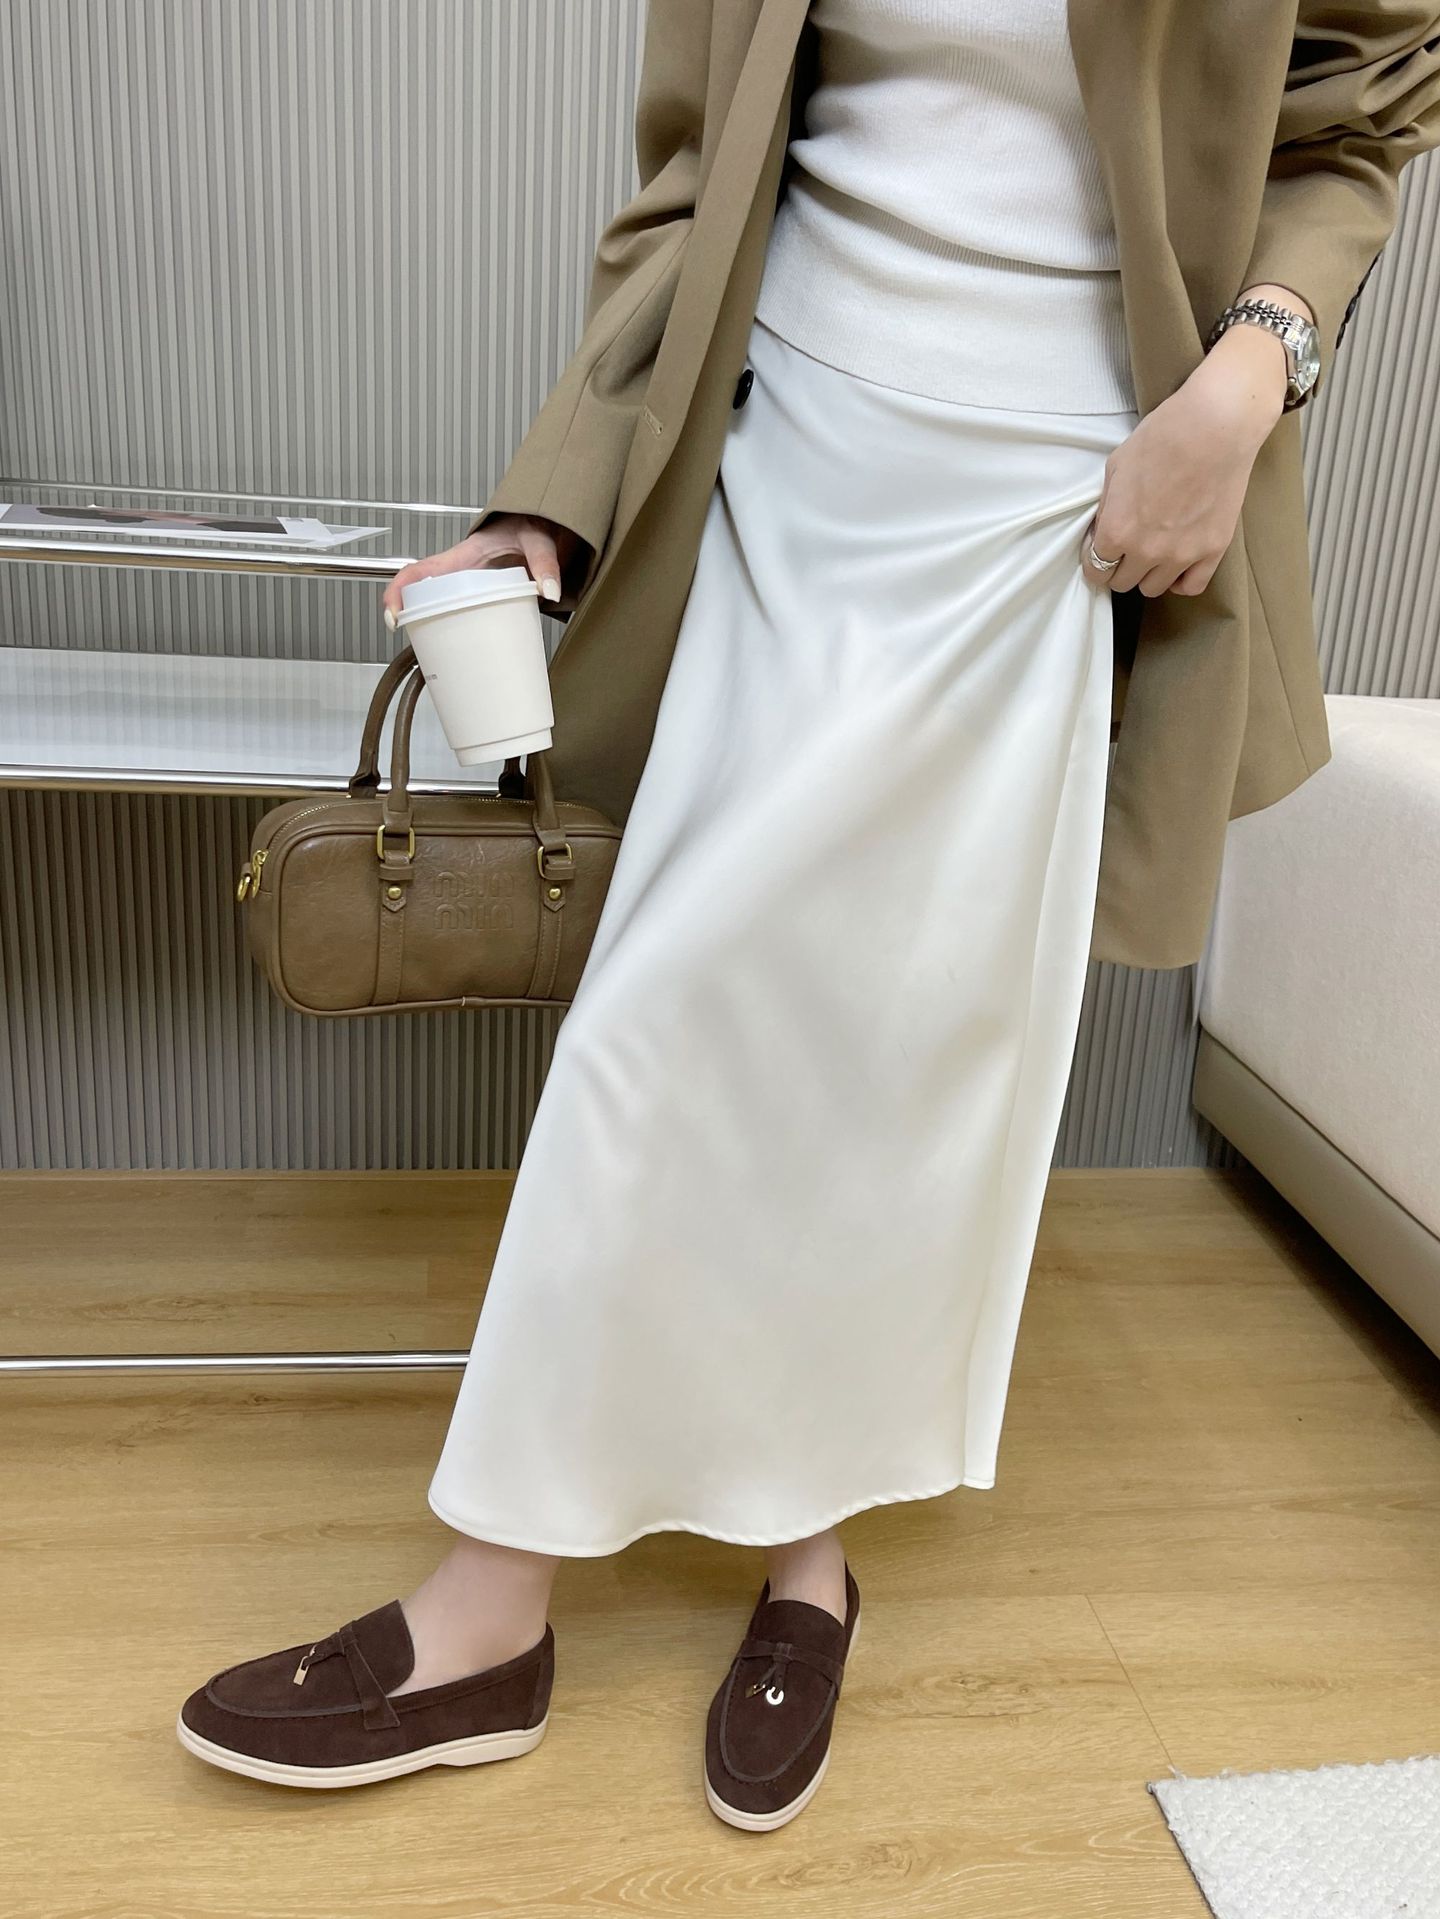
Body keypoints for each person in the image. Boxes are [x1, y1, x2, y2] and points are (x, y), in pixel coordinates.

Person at [176, 0, 1440, 1828]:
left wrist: (1242, 392)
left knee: (889, 1048)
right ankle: (495, 1602)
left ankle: (804, 1561)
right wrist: (560, 496)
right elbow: (696, 178)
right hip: (783, 460)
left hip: (1063, 503)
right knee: (667, 1012)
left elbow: (1358, 113)